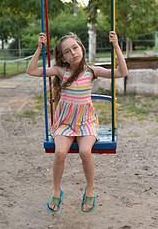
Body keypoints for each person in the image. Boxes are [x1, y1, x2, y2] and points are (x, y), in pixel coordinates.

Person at [26, 31, 128, 213]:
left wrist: (117, 47)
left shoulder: (92, 71)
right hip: (65, 122)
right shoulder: (60, 71)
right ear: (63, 58)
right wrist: (39, 49)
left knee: (84, 151)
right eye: (67, 51)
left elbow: (122, 72)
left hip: (85, 122)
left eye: (75, 47)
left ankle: (90, 188)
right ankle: (57, 190)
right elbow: (31, 71)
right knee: (59, 153)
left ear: (81, 48)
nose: (73, 52)